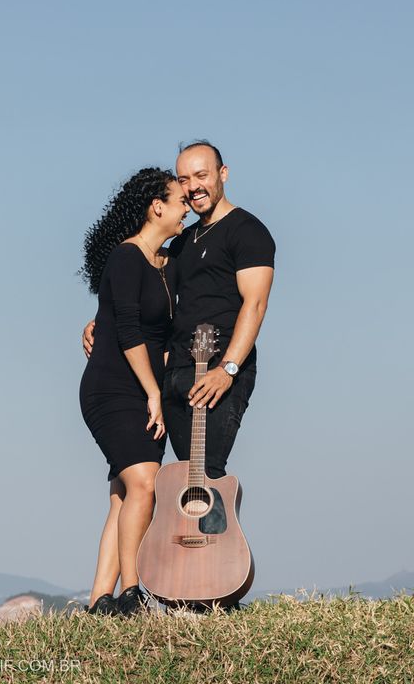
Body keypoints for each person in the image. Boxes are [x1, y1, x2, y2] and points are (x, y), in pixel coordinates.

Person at [83, 139, 275, 512]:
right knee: (180, 481)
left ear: (223, 174)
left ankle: (217, 567)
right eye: (184, 179)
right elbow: (140, 292)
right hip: (175, 373)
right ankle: (181, 568)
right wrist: (99, 320)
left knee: (208, 478)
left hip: (217, 372)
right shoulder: (184, 240)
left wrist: (228, 369)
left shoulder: (247, 231)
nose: (193, 186)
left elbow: (255, 304)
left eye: (202, 175)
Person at [77, 166, 189, 617]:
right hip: (113, 387)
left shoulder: (167, 262)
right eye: (180, 200)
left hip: (144, 387)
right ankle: (132, 593)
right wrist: (154, 393)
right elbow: (126, 330)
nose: (187, 207)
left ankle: (99, 601)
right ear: (156, 206)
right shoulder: (125, 257)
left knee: (125, 494)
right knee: (144, 482)